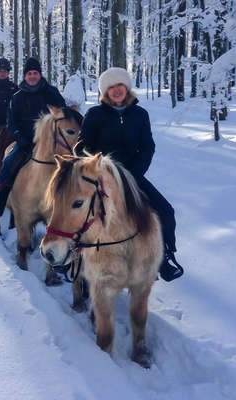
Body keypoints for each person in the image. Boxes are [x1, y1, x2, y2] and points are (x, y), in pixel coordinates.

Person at [77, 67, 184, 282]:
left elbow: (147, 147)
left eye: (120, 86)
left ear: (126, 88)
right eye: (111, 87)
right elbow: (82, 147)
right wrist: (97, 166)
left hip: (132, 176)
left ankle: (164, 258)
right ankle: (73, 255)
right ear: (105, 92)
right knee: (78, 213)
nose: (117, 90)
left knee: (165, 211)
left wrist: (134, 174)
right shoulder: (95, 114)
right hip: (100, 176)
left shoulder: (140, 115)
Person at [0, 57, 66, 217]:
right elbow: (11, 122)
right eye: (29, 73)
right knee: (8, 162)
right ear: (25, 76)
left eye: (35, 73)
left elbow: (63, 116)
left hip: (51, 142)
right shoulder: (17, 96)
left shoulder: (52, 93)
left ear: (40, 74)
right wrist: (19, 137)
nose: (32, 76)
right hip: (25, 141)